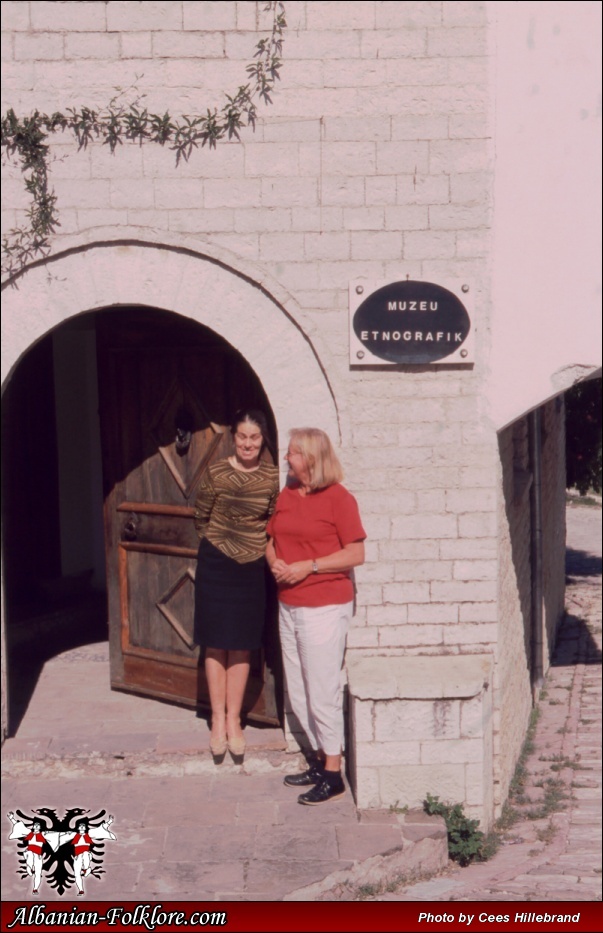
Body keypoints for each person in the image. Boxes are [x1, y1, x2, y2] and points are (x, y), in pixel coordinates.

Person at [266, 428, 366, 805]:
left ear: (310, 458)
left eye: (292, 453)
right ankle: (320, 758)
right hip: (288, 603)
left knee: (322, 690)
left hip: (323, 607)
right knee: (298, 688)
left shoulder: (339, 499)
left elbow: (355, 554)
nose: (286, 459)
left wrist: (308, 566)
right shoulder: (288, 494)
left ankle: (333, 774)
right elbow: (270, 539)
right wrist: (275, 561)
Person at [194, 409, 279, 759]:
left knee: (243, 645)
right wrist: (221, 543)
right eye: (242, 437)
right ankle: (216, 719)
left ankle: (234, 720)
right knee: (215, 644)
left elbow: (272, 520)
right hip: (216, 563)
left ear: (262, 441)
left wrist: (250, 547)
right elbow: (201, 515)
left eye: (254, 438)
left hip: (250, 567)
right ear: (233, 438)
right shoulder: (216, 471)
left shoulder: (273, 477)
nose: (247, 444)